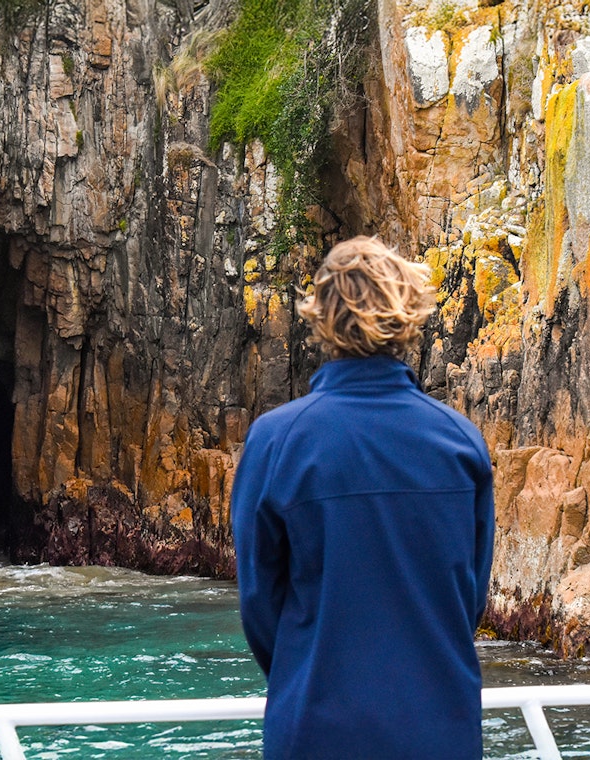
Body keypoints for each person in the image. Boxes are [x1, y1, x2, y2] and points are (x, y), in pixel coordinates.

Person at [231, 236, 495, 759]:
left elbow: (259, 602)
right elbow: (468, 597)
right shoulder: (460, 442)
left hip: (315, 730)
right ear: (408, 313)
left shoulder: (277, 441)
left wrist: (304, 670)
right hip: (440, 731)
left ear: (320, 315)